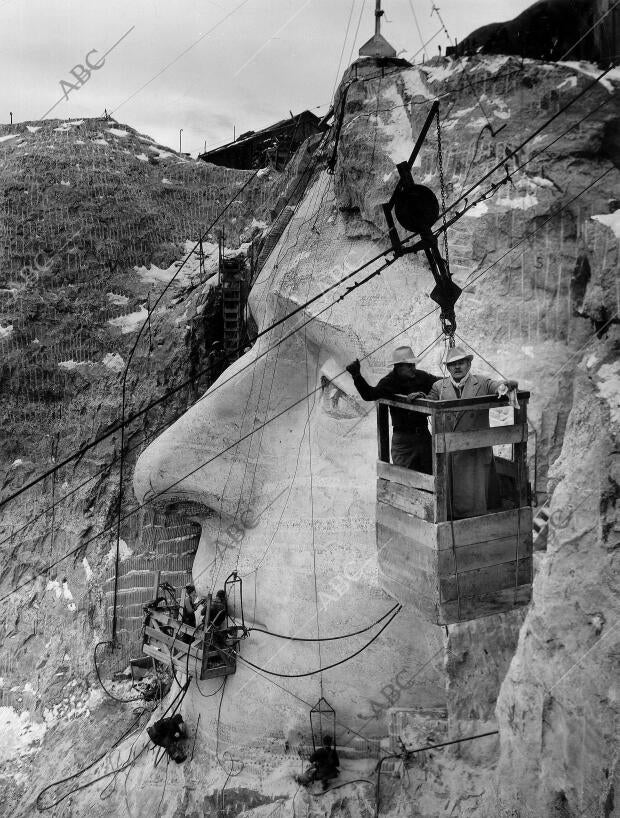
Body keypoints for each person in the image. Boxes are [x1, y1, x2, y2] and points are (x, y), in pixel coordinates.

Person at [426, 346, 518, 519]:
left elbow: (496, 387)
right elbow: (428, 402)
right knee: (451, 505)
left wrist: (504, 387)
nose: (457, 367)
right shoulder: (439, 387)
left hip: (475, 454)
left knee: (476, 503)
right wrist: (418, 397)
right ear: (447, 367)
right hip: (450, 454)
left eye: (461, 362)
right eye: (453, 364)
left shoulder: (482, 383)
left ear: (468, 364)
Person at [346, 346, 440, 473]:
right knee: (404, 479)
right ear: (398, 367)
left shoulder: (421, 376)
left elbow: (439, 383)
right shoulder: (389, 382)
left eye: (413, 364)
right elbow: (369, 394)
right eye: (409, 366)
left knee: (431, 475)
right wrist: (356, 375)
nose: (413, 368)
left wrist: (426, 397)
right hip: (403, 441)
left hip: (423, 436)